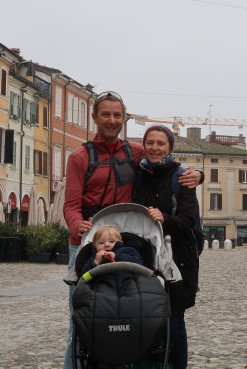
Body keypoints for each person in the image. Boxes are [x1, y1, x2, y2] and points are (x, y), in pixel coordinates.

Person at [63, 91, 202, 369]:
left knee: (133, 309)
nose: (112, 120)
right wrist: (78, 225)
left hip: (128, 237)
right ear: (95, 117)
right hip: (90, 237)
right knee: (82, 315)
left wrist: (197, 175)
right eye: (106, 114)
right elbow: (71, 205)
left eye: (117, 115)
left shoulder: (134, 151)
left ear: (123, 119)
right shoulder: (80, 157)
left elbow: (163, 161)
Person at [133, 125, 200, 369]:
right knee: (144, 319)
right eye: (150, 142)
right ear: (144, 145)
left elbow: (188, 221)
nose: (155, 148)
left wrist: (164, 218)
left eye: (161, 143)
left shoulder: (181, 177)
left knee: (175, 321)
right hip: (144, 259)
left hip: (177, 260)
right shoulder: (136, 174)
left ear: (170, 148)